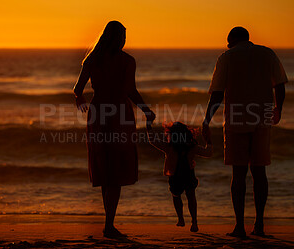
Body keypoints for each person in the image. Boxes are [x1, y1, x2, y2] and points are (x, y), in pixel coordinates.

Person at [202, 26, 287, 237]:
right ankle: (259, 225)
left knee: (238, 174)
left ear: (231, 42)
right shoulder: (267, 53)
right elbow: (280, 85)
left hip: (236, 119)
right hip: (262, 118)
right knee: (260, 172)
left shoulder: (227, 57)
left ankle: (239, 226)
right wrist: (278, 109)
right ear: (248, 39)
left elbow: (217, 94)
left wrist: (206, 120)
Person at [73, 21, 156, 238]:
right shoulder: (127, 60)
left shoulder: (92, 59)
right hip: (119, 113)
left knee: (105, 167)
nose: (124, 41)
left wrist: (82, 102)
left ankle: (108, 223)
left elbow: (77, 89)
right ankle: (109, 225)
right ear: (117, 38)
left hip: (98, 113)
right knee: (117, 169)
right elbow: (130, 90)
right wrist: (147, 111)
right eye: (123, 37)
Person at [147, 121, 213, 232]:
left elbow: (153, 141)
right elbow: (208, 153)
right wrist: (209, 141)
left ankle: (181, 218)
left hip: (175, 175)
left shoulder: (169, 147)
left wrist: (149, 127)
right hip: (188, 175)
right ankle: (194, 222)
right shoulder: (191, 147)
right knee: (191, 197)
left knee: (176, 196)